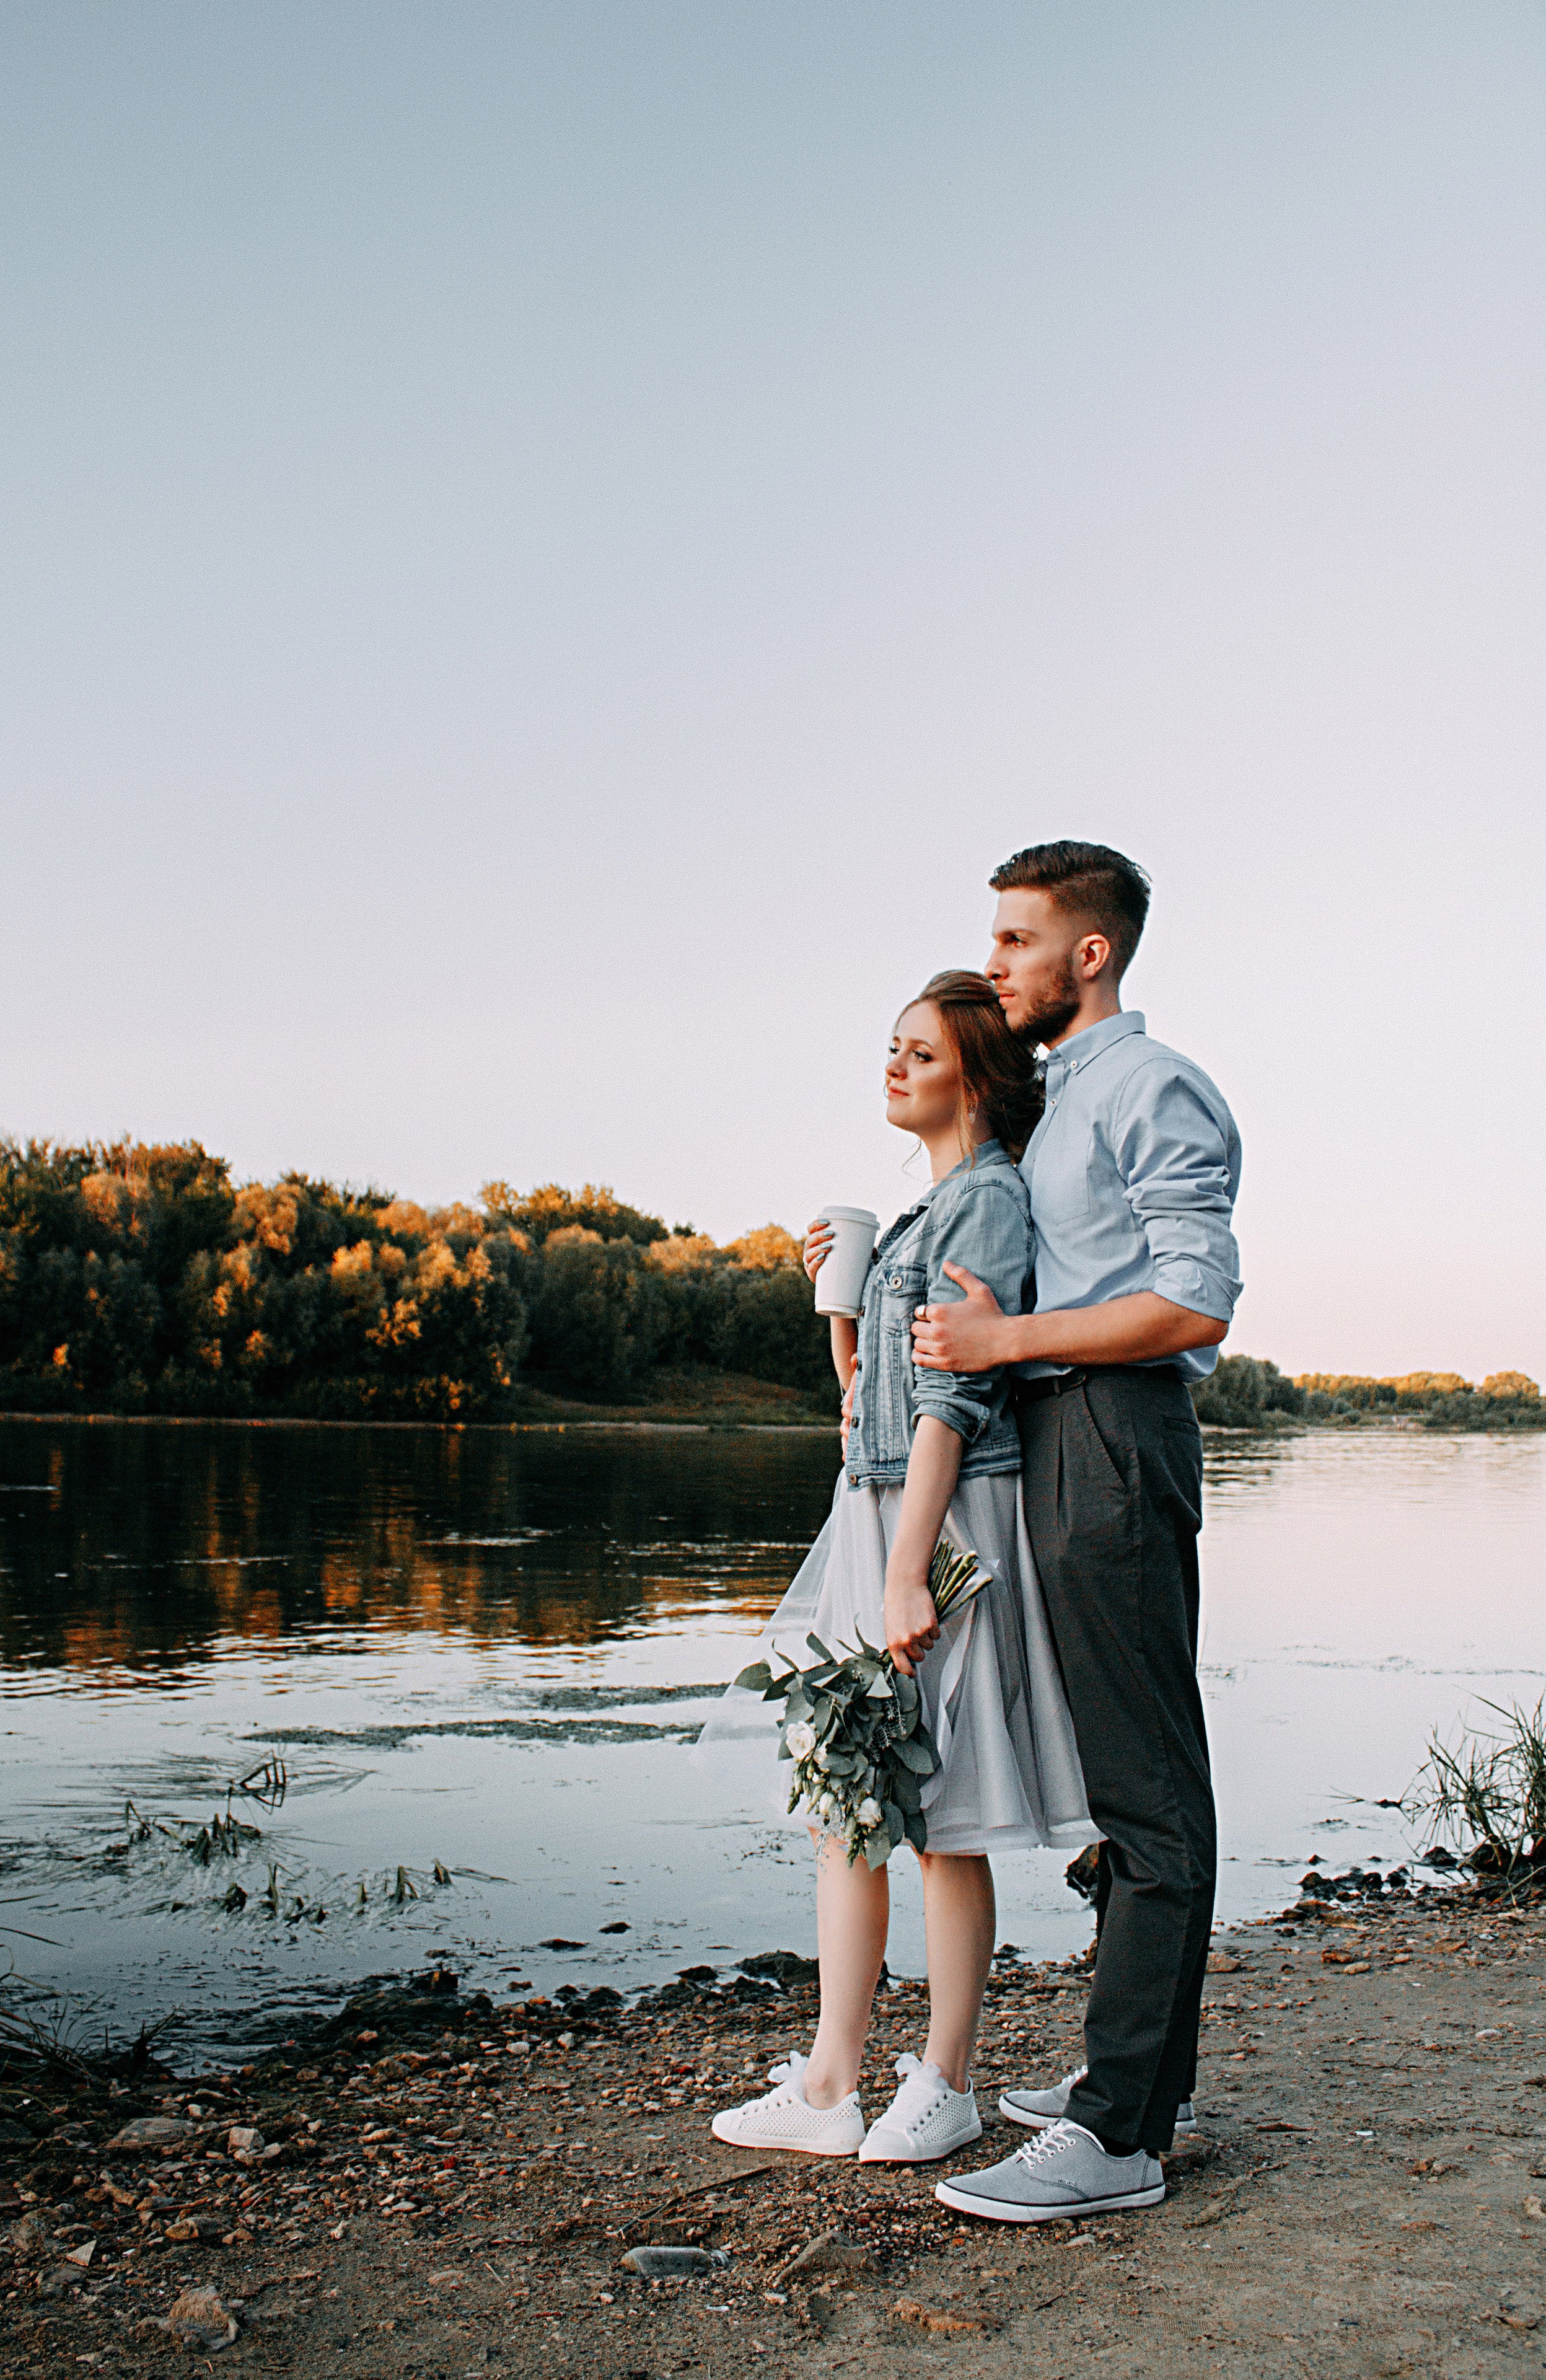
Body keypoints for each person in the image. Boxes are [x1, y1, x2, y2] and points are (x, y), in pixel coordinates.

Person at [703, 971, 1096, 2166]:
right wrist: (839, 1298)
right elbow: (866, 1400)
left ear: (972, 1078)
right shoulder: (921, 1212)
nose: (892, 1067)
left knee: (944, 1818)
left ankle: (947, 2079)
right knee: (849, 1801)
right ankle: (830, 2084)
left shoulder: (985, 1203)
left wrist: (911, 1570)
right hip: (880, 1509)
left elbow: (954, 1402)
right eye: (890, 1049)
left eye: (917, 1054)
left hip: (939, 1521)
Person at [908, 840, 1242, 2224]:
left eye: (1014, 939)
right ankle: (1137, 2091)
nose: (994, 962)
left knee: (1149, 1789)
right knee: (1125, 1781)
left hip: (1112, 1428)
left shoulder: (1152, 1085)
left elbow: (1196, 1302)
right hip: (1059, 1436)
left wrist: (1003, 1340)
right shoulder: (1057, 1106)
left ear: (1086, 952)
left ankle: (1113, 2138)